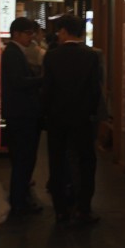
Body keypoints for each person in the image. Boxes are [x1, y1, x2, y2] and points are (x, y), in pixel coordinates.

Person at [42, 13, 110, 226]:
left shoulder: (51, 56)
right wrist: (91, 114)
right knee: (86, 162)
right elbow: (94, 90)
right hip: (82, 119)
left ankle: (61, 210)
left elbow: (47, 90)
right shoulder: (91, 56)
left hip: (57, 119)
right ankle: (83, 209)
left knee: (57, 162)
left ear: (63, 31)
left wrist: (47, 115)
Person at [1, 17, 45, 217]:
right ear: (16, 34)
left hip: (19, 113)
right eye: (28, 33)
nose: (32, 37)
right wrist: (42, 79)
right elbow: (18, 82)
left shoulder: (16, 52)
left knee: (22, 159)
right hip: (21, 115)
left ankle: (20, 198)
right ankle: (19, 202)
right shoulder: (12, 53)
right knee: (23, 159)